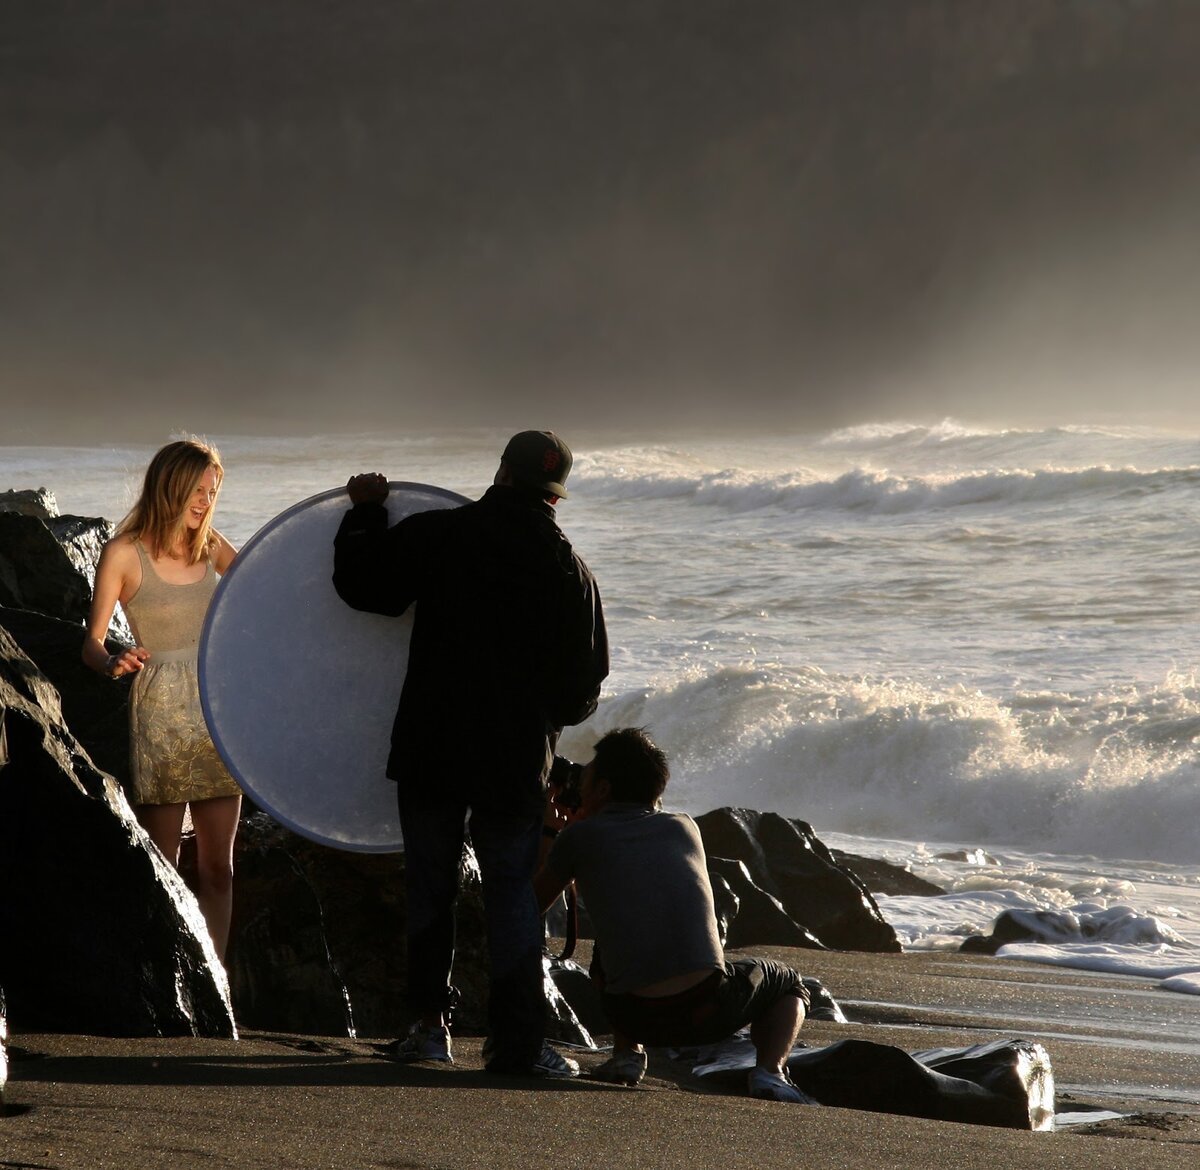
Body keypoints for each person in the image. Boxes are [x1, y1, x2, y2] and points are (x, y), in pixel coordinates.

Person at [333, 430, 609, 1077]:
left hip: (433, 743)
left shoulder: (444, 533)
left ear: (502, 475)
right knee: (511, 893)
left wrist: (366, 513)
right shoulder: (569, 568)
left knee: (431, 884)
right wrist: (540, 724)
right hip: (513, 760)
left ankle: (429, 1028)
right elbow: (583, 690)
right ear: (556, 496)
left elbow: (367, 587)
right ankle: (516, 1045)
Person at [534, 728, 815, 1102]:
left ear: (602, 789)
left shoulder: (580, 838)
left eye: (586, 778)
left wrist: (552, 832)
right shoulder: (685, 826)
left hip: (630, 1012)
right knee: (791, 982)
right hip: (706, 1010)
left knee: (617, 934)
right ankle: (771, 1073)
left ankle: (627, 1055)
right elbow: (640, 850)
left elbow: (531, 904)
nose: (579, 784)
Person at [83, 438, 242, 962]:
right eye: (197, 489)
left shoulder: (211, 545)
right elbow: (93, 643)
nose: (205, 500)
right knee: (165, 862)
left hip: (218, 708)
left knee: (218, 866)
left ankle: (214, 982)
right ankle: (166, 965)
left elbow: (260, 593)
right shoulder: (124, 553)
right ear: (170, 485)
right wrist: (113, 661)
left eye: (212, 491)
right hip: (162, 713)